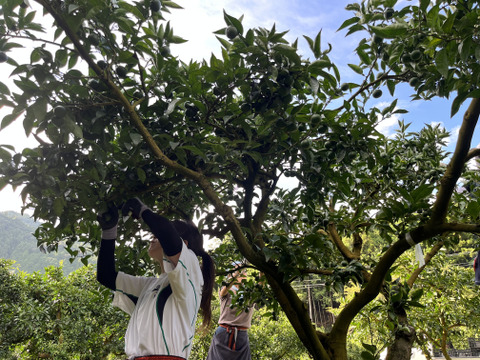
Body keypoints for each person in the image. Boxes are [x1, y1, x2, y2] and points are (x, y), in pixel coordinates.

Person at [96, 197, 215, 360]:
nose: (153, 237)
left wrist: (142, 209)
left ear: (184, 245)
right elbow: (106, 275)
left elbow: (166, 233)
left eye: (157, 235)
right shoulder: (150, 285)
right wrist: (109, 231)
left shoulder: (192, 274)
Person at [206, 264, 255, 360]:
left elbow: (260, 287)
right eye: (238, 271)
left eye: (243, 271)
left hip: (241, 335)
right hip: (224, 333)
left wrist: (262, 272)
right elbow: (224, 290)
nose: (242, 273)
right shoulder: (227, 291)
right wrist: (237, 272)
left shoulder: (250, 293)